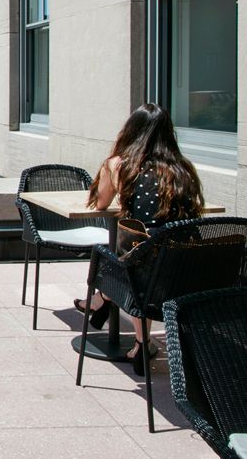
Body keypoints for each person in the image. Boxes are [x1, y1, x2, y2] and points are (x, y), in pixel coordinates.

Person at [77, 103, 204, 373]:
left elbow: (101, 204)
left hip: (146, 273)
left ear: (131, 131)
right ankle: (103, 304)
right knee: (143, 256)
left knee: (127, 258)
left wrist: (113, 158)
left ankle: (112, 312)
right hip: (188, 268)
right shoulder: (183, 170)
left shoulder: (121, 165)